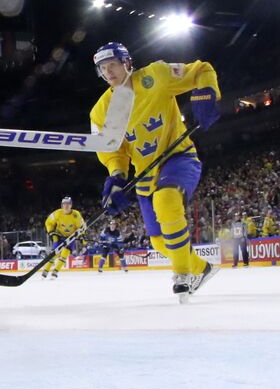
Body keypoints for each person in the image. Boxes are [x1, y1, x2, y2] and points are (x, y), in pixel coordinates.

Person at [91, 41, 221, 302]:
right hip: (144, 175)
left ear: (127, 63)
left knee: (167, 200)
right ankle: (202, 269)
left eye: (112, 65)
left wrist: (207, 93)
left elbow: (201, 70)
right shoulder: (101, 110)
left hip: (179, 157)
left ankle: (182, 274)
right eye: (102, 68)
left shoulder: (156, 75)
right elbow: (113, 151)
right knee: (159, 243)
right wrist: (117, 177)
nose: (108, 72)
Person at [41, 195, 84, 278]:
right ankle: (46, 270)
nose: (66, 205)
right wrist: (51, 232)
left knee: (65, 254)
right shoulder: (57, 213)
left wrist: (82, 235)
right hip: (59, 235)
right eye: (64, 203)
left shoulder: (76, 214)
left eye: (68, 204)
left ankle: (55, 271)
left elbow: (82, 226)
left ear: (71, 205)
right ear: (61, 205)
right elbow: (48, 222)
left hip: (71, 237)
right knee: (54, 254)